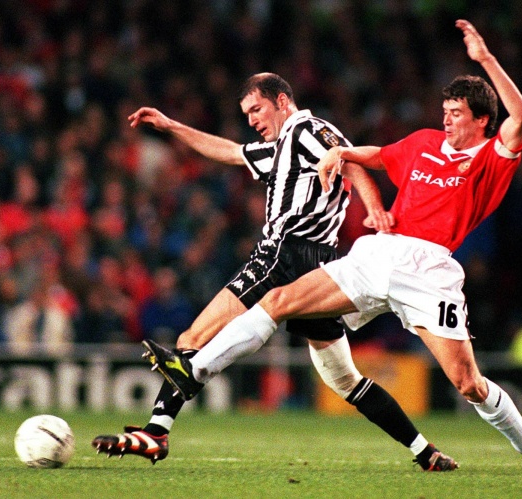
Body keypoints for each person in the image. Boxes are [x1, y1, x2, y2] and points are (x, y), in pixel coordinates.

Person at [145, 20, 522, 475]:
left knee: (467, 383)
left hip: (428, 269)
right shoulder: (424, 142)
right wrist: (344, 154)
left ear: (482, 120)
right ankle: (193, 372)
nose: (447, 119)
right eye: (445, 110)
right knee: (277, 302)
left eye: (456, 113)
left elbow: (521, 117)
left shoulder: (492, 157)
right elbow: (378, 155)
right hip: (378, 253)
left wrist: (485, 58)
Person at [94, 73, 457, 472]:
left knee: (192, 339)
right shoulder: (280, 147)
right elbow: (232, 152)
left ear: (282, 101)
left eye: (257, 109)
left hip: (284, 253)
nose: (252, 120)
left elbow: (350, 162)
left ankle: (158, 429)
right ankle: (425, 452)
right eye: (246, 113)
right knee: (345, 380)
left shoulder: (305, 129)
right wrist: (172, 126)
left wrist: (374, 210)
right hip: (319, 264)